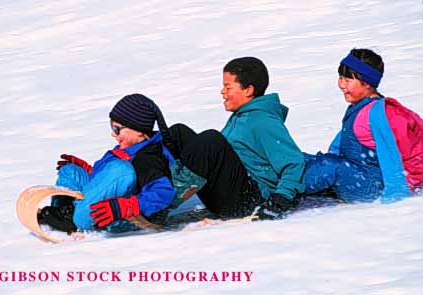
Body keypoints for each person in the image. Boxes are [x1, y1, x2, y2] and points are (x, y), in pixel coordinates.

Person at [169, 57, 306, 219]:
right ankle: (145, 188)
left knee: (210, 141)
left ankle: (158, 205)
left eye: (228, 87)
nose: (222, 92)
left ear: (248, 90)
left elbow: (294, 162)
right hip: (232, 192)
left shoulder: (264, 121)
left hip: (249, 201)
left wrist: (280, 199)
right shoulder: (240, 116)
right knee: (178, 133)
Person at [37, 94, 176, 233]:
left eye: (117, 129)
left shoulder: (148, 158)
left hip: (117, 210)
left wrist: (128, 206)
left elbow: (163, 193)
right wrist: (88, 170)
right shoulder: (127, 149)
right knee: (70, 171)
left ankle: (75, 219)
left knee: (122, 170)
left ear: (138, 131)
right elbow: (107, 182)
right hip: (102, 197)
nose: (113, 134)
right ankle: (62, 210)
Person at [304, 48, 423, 203]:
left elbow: (390, 155)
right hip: (356, 174)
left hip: (372, 187)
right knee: (300, 158)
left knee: (331, 167)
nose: (341, 85)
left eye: (348, 80)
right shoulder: (359, 107)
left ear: (367, 83)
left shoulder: (377, 113)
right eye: (340, 78)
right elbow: (342, 141)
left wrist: (395, 194)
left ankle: (283, 191)